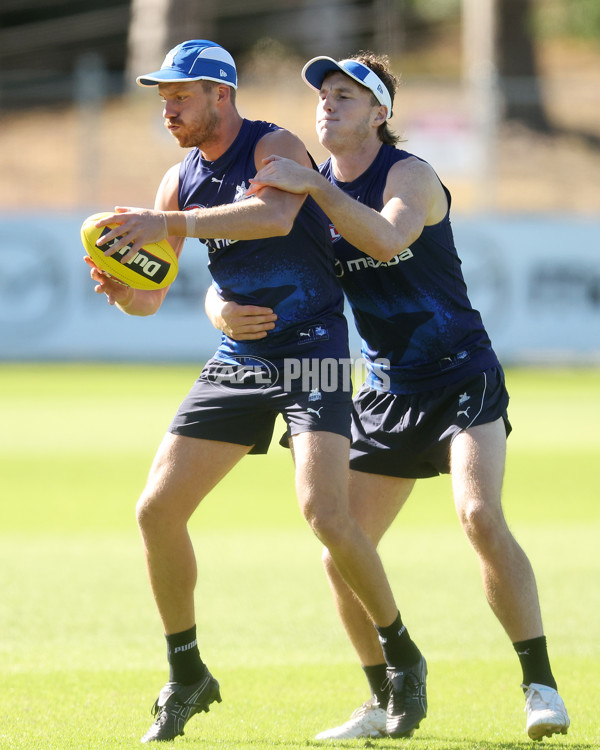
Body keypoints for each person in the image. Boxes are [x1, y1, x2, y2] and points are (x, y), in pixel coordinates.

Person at [206, 52, 571, 742]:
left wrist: (314, 188)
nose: (327, 104)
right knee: (339, 548)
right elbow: (237, 263)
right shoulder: (306, 193)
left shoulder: (408, 174)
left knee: (479, 516)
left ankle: (539, 685)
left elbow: (386, 237)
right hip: (387, 390)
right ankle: (384, 698)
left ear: (381, 114)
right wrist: (218, 310)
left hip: (462, 374)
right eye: (323, 95)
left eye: (346, 95)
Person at [85, 40, 415, 744]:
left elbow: (271, 217)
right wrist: (124, 290)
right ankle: (187, 672)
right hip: (240, 358)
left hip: (313, 352)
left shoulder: (275, 145)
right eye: (163, 97)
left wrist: (168, 226)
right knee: (155, 510)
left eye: (180, 95)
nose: (168, 108)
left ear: (220, 95)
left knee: (325, 515)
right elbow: (154, 300)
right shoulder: (179, 180)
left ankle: (402, 655)